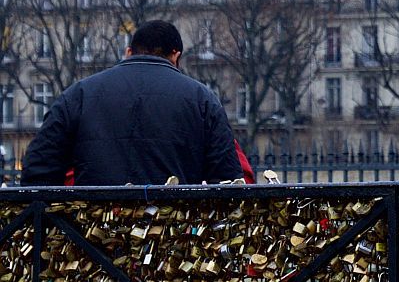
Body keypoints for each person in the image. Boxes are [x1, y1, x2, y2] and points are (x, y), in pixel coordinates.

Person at [21, 19, 244, 187]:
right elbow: (228, 180)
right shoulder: (203, 99)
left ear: (129, 52)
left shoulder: (78, 94)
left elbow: (38, 167)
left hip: (93, 233)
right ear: (175, 56)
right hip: (174, 236)